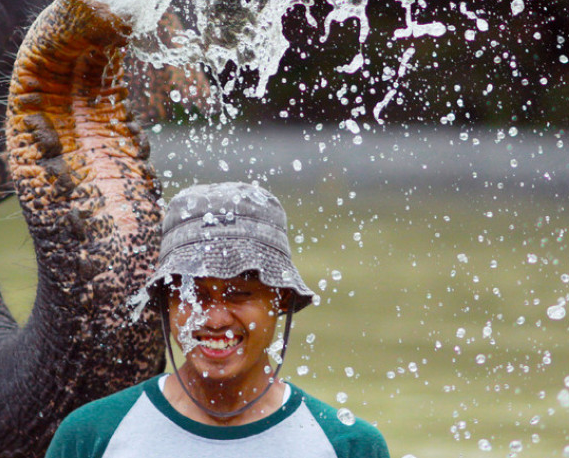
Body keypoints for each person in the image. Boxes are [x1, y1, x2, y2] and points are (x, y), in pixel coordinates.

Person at [46, 181, 390, 458]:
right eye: (193, 295)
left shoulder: (348, 446)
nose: (213, 319)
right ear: (166, 300)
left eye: (239, 293)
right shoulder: (92, 436)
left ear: (281, 297)